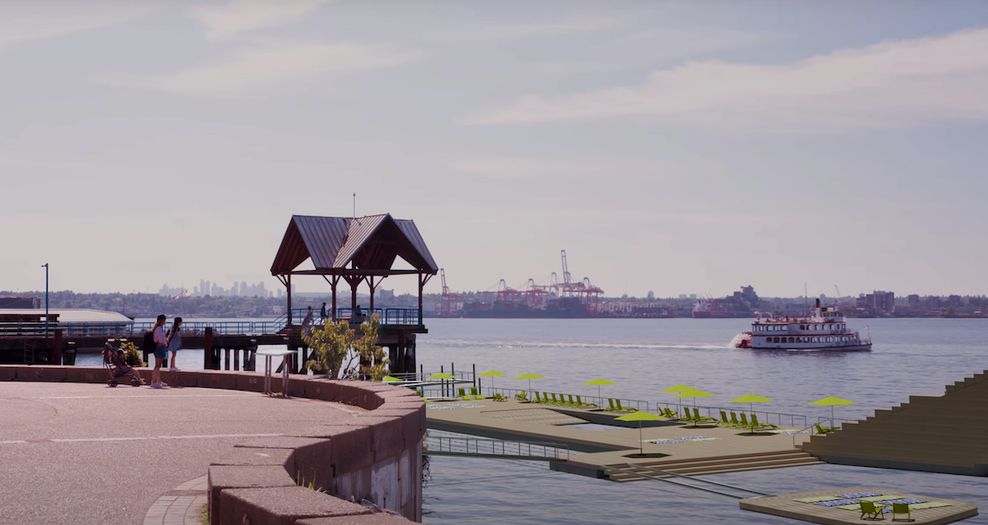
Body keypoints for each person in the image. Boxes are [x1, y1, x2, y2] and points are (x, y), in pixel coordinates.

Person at [151, 314, 169, 388]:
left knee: (157, 365)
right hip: (160, 347)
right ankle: (154, 381)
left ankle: (158, 381)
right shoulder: (158, 329)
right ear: (162, 320)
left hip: (158, 347)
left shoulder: (157, 328)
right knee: (158, 366)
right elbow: (160, 339)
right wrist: (164, 342)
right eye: (164, 320)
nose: (165, 322)